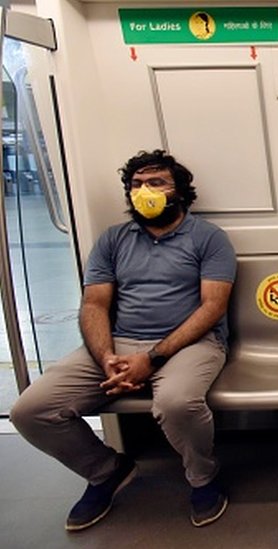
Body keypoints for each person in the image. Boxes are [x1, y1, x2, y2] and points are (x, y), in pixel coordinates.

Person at [10, 150, 237, 530]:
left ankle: (203, 477)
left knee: (177, 403)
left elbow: (212, 308)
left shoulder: (208, 238)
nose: (144, 190)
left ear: (179, 190)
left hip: (189, 343)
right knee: (31, 410)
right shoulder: (112, 240)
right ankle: (106, 470)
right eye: (136, 185)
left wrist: (151, 357)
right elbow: (94, 304)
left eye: (156, 182)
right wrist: (107, 358)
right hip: (117, 342)